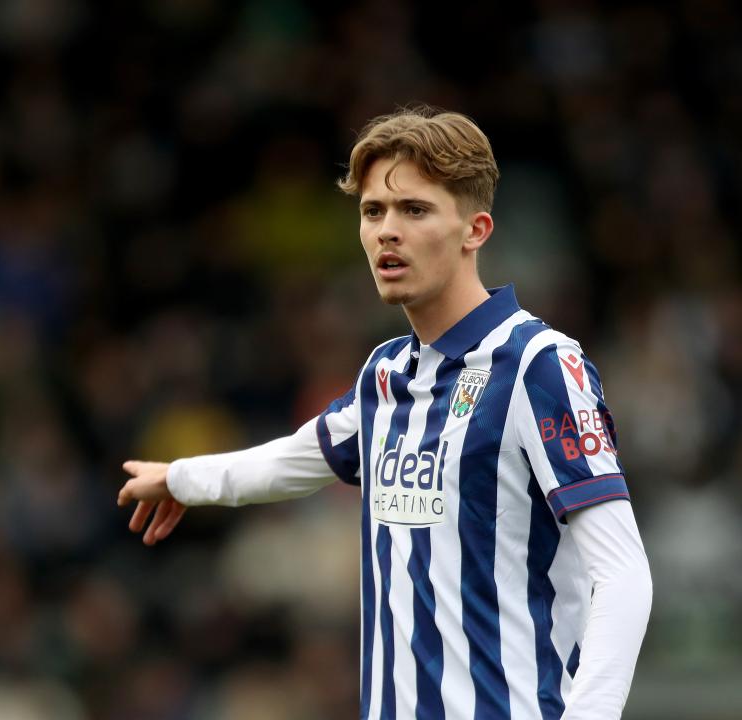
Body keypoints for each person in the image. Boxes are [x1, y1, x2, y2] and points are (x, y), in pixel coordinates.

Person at [118, 106, 652, 719]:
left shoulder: (538, 364)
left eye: (414, 210)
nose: (386, 232)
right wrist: (182, 478)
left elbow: (623, 576)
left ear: (475, 230)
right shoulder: (387, 373)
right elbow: (298, 457)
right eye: (373, 211)